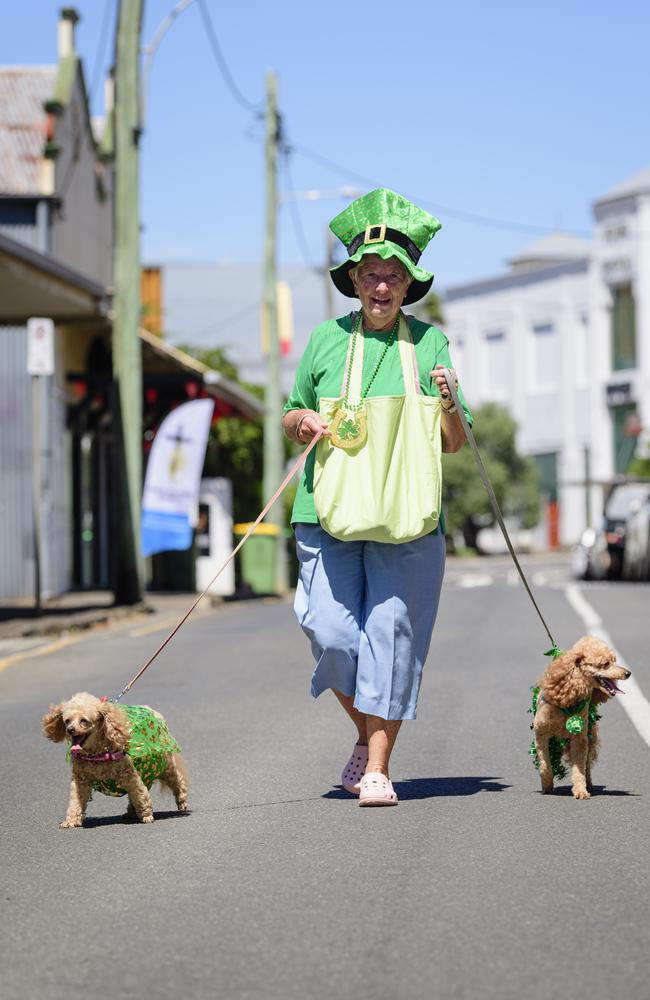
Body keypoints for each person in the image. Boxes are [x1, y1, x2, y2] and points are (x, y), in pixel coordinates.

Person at [282, 189, 471, 806]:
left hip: (408, 515)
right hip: (327, 510)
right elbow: (289, 414)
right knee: (331, 632)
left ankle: (378, 768)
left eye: (393, 275)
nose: (382, 287)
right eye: (371, 275)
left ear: (408, 282)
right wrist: (305, 421)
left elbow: (453, 443)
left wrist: (446, 398)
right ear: (354, 280)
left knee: (390, 636)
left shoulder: (430, 345)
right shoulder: (324, 341)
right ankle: (368, 734)